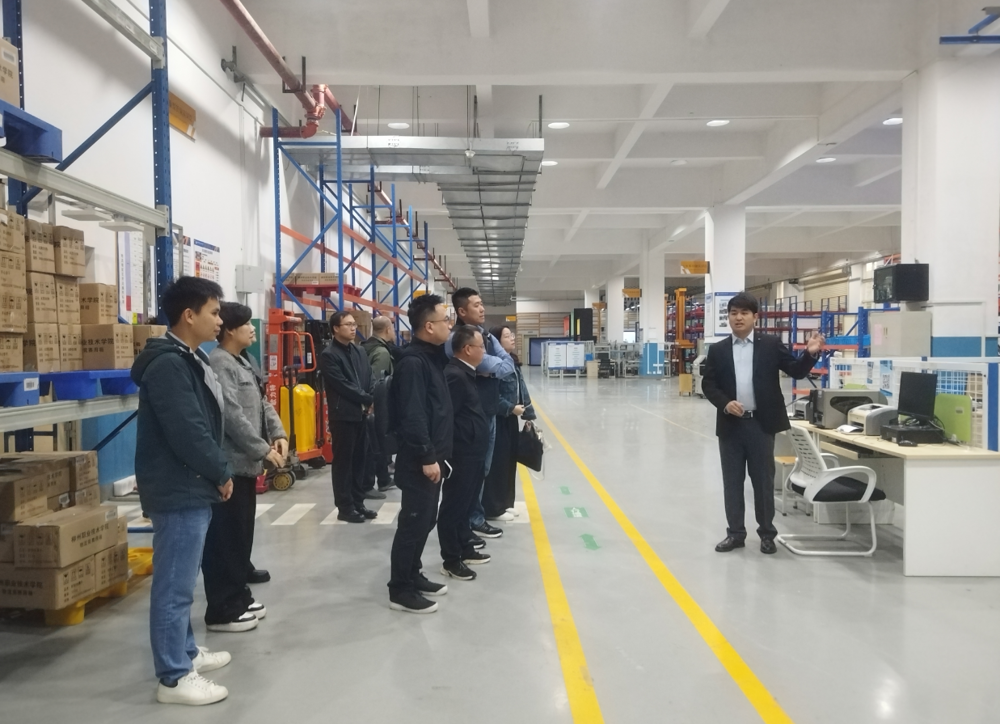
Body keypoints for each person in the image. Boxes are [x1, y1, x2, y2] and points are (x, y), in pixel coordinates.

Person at [131, 276, 233, 706]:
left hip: (189, 482)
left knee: (183, 581)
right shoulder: (170, 366)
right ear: (189, 315)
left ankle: (186, 651)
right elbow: (188, 431)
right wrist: (220, 471)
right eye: (214, 312)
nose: (220, 320)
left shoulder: (188, 358)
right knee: (174, 586)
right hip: (179, 486)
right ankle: (174, 677)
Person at [701, 292, 825, 555]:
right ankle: (735, 534)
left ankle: (767, 534)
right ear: (728, 317)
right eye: (733, 313)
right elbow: (708, 384)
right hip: (731, 426)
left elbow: (796, 370)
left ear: (755, 317)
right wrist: (725, 403)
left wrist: (810, 354)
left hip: (761, 424)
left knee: (763, 481)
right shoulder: (718, 350)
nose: (738, 318)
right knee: (732, 482)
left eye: (744, 313)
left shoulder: (770, 344)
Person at [203, 303, 287, 633]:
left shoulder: (243, 360)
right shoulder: (219, 363)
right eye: (246, 324)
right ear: (229, 330)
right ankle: (222, 607)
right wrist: (262, 449)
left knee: (241, 536)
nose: (253, 329)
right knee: (225, 539)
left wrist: (278, 433)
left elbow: (262, 402)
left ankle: (238, 594)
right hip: (232, 465)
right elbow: (232, 416)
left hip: (247, 465)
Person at [387, 294, 453, 613]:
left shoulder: (431, 359)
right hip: (419, 461)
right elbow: (413, 415)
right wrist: (427, 456)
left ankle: (413, 574)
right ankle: (400, 589)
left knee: (426, 520)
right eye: (445, 320)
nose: (449, 325)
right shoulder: (413, 363)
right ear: (428, 326)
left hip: (434, 457)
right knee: (413, 524)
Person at [444, 288, 516, 541]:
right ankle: (468, 522)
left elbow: (507, 367)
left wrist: (492, 362)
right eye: (476, 305)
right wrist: (493, 362)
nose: (482, 308)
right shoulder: (456, 338)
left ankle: (474, 517)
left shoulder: (484, 335)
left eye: (481, 303)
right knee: (470, 472)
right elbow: (502, 366)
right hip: (473, 416)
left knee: (482, 470)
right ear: (462, 311)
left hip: (488, 409)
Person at [439, 325, 493, 581]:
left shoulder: (466, 373)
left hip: (473, 451)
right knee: (455, 505)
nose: (484, 352)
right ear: (468, 349)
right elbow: (446, 417)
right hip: (461, 453)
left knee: (467, 503)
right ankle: (451, 559)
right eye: (481, 347)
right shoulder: (455, 376)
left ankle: (464, 547)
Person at [321, 311, 377, 523]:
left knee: (360, 459)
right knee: (344, 462)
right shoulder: (329, 355)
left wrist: (371, 396)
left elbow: (369, 376)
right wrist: (366, 398)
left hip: (361, 414)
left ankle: (358, 502)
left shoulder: (359, 350)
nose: (353, 328)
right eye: (348, 324)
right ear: (336, 328)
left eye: (354, 324)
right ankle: (345, 507)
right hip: (343, 415)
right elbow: (342, 385)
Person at [482, 324, 535, 521]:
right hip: (499, 418)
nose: (512, 338)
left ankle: (506, 503)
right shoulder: (493, 365)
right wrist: (510, 408)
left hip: (511, 419)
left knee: (509, 462)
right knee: (498, 463)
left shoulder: (512, 361)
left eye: (511, 335)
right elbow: (491, 395)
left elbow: (522, 389)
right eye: (506, 336)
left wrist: (528, 415)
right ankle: (493, 508)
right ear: (496, 342)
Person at [361, 316, 400, 499]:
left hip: (365, 404)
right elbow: (379, 382)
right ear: (387, 329)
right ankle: (378, 481)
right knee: (376, 445)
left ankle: (383, 478)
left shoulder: (365, 347)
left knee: (372, 445)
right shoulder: (382, 353)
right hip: (376, 406)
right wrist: (373, 403)